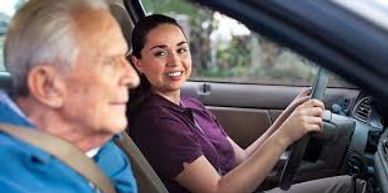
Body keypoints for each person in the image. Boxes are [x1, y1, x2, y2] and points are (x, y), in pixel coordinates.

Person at [128, 14, 366, 193]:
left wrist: (288, 116)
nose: (175, 61)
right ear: (138, 63)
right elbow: (219, 190)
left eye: (182, 50)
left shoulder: (191, 106)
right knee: (353, 188)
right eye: (160, 53)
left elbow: (242, 159)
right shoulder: (156, 123)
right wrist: (285, 135)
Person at [0, 0, 140, 192]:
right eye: (109, 62)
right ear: (48, 86)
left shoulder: (100, 142)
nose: (133, 79)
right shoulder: (9, 178)